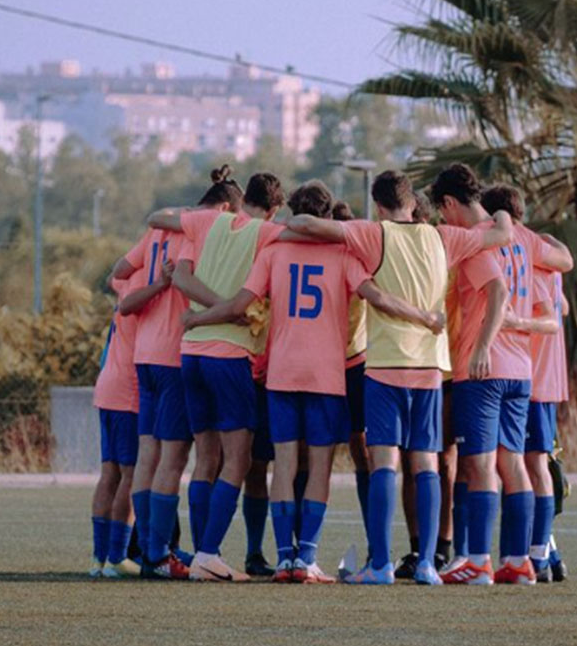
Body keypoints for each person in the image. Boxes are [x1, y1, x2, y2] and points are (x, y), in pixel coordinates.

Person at [185, 181, 443, 584]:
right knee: (319, 467)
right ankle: (307, 559)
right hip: (326, 374)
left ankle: (284, 558)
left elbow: (240, 304)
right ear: (326, 218)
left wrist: (198, 318)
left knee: (284, 465)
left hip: (282, 372)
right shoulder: (342, 253)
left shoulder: (273, 251)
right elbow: (374, 296)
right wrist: (423, 316)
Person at [285, 170, 512, 585]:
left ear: (378, 205)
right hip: (430, 364)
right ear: (413, 202)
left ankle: (381, 565)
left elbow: (301, 223)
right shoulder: (444, 237)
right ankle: (426, 564)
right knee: (425, 461)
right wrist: (500, 213)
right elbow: (499, 234)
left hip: (386, 364)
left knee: (384, 461)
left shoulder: (372, 233)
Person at [429, 168, 572, 586]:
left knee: (479, 465)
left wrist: (481, 347)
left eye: (444, 211)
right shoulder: (519, 241)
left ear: (451, 204)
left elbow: (498, 293)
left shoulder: (475, 245)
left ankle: (476, 559)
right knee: (514, 463)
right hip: (521, 371)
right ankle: (519, 561)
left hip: (485, 371)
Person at [147, 169, 287, 582]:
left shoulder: (207, 221)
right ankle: (208, 552)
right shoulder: (267, 233)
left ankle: (203, 554)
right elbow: (303, 235)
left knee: (205, 458)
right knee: (239, 459)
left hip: (191, 354)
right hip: (228, 354)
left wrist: (202, 315)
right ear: (275, 208)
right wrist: (228, 308)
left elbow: (161, 223)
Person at [112, 168, 242, 579]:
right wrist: (229, 307)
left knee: (148, 455)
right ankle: (157, 553)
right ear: (222, 209)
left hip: (144, 353)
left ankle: (153, 551)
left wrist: (150, 285)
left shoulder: (159, 230)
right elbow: (187, 283)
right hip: (172, 353)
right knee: (174, 457)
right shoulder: (197, 234)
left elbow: (119, 269)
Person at [479, 184, 568, 583]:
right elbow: (563, 282)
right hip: (534, 373)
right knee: (528, 461)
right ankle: (543, 550)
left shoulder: (517, 244)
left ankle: (538, 551)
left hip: (529, 371)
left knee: (529, 462)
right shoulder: (538, 248)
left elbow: (552, 312)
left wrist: (517, 322)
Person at [90, 269, 144, 578]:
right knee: (131, 473)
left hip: (107, 385)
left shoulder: (126, 283)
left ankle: (98, 559)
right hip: (127, 390)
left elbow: (113, 275)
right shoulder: (143, 295)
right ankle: (117, 556)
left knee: (109, 473)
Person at [331, 201, 373, 532]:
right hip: (324, 365)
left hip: (355, 364)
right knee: (312, 453)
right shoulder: (324, 260)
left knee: (363, 451)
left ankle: (375, 534)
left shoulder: (361, 262)